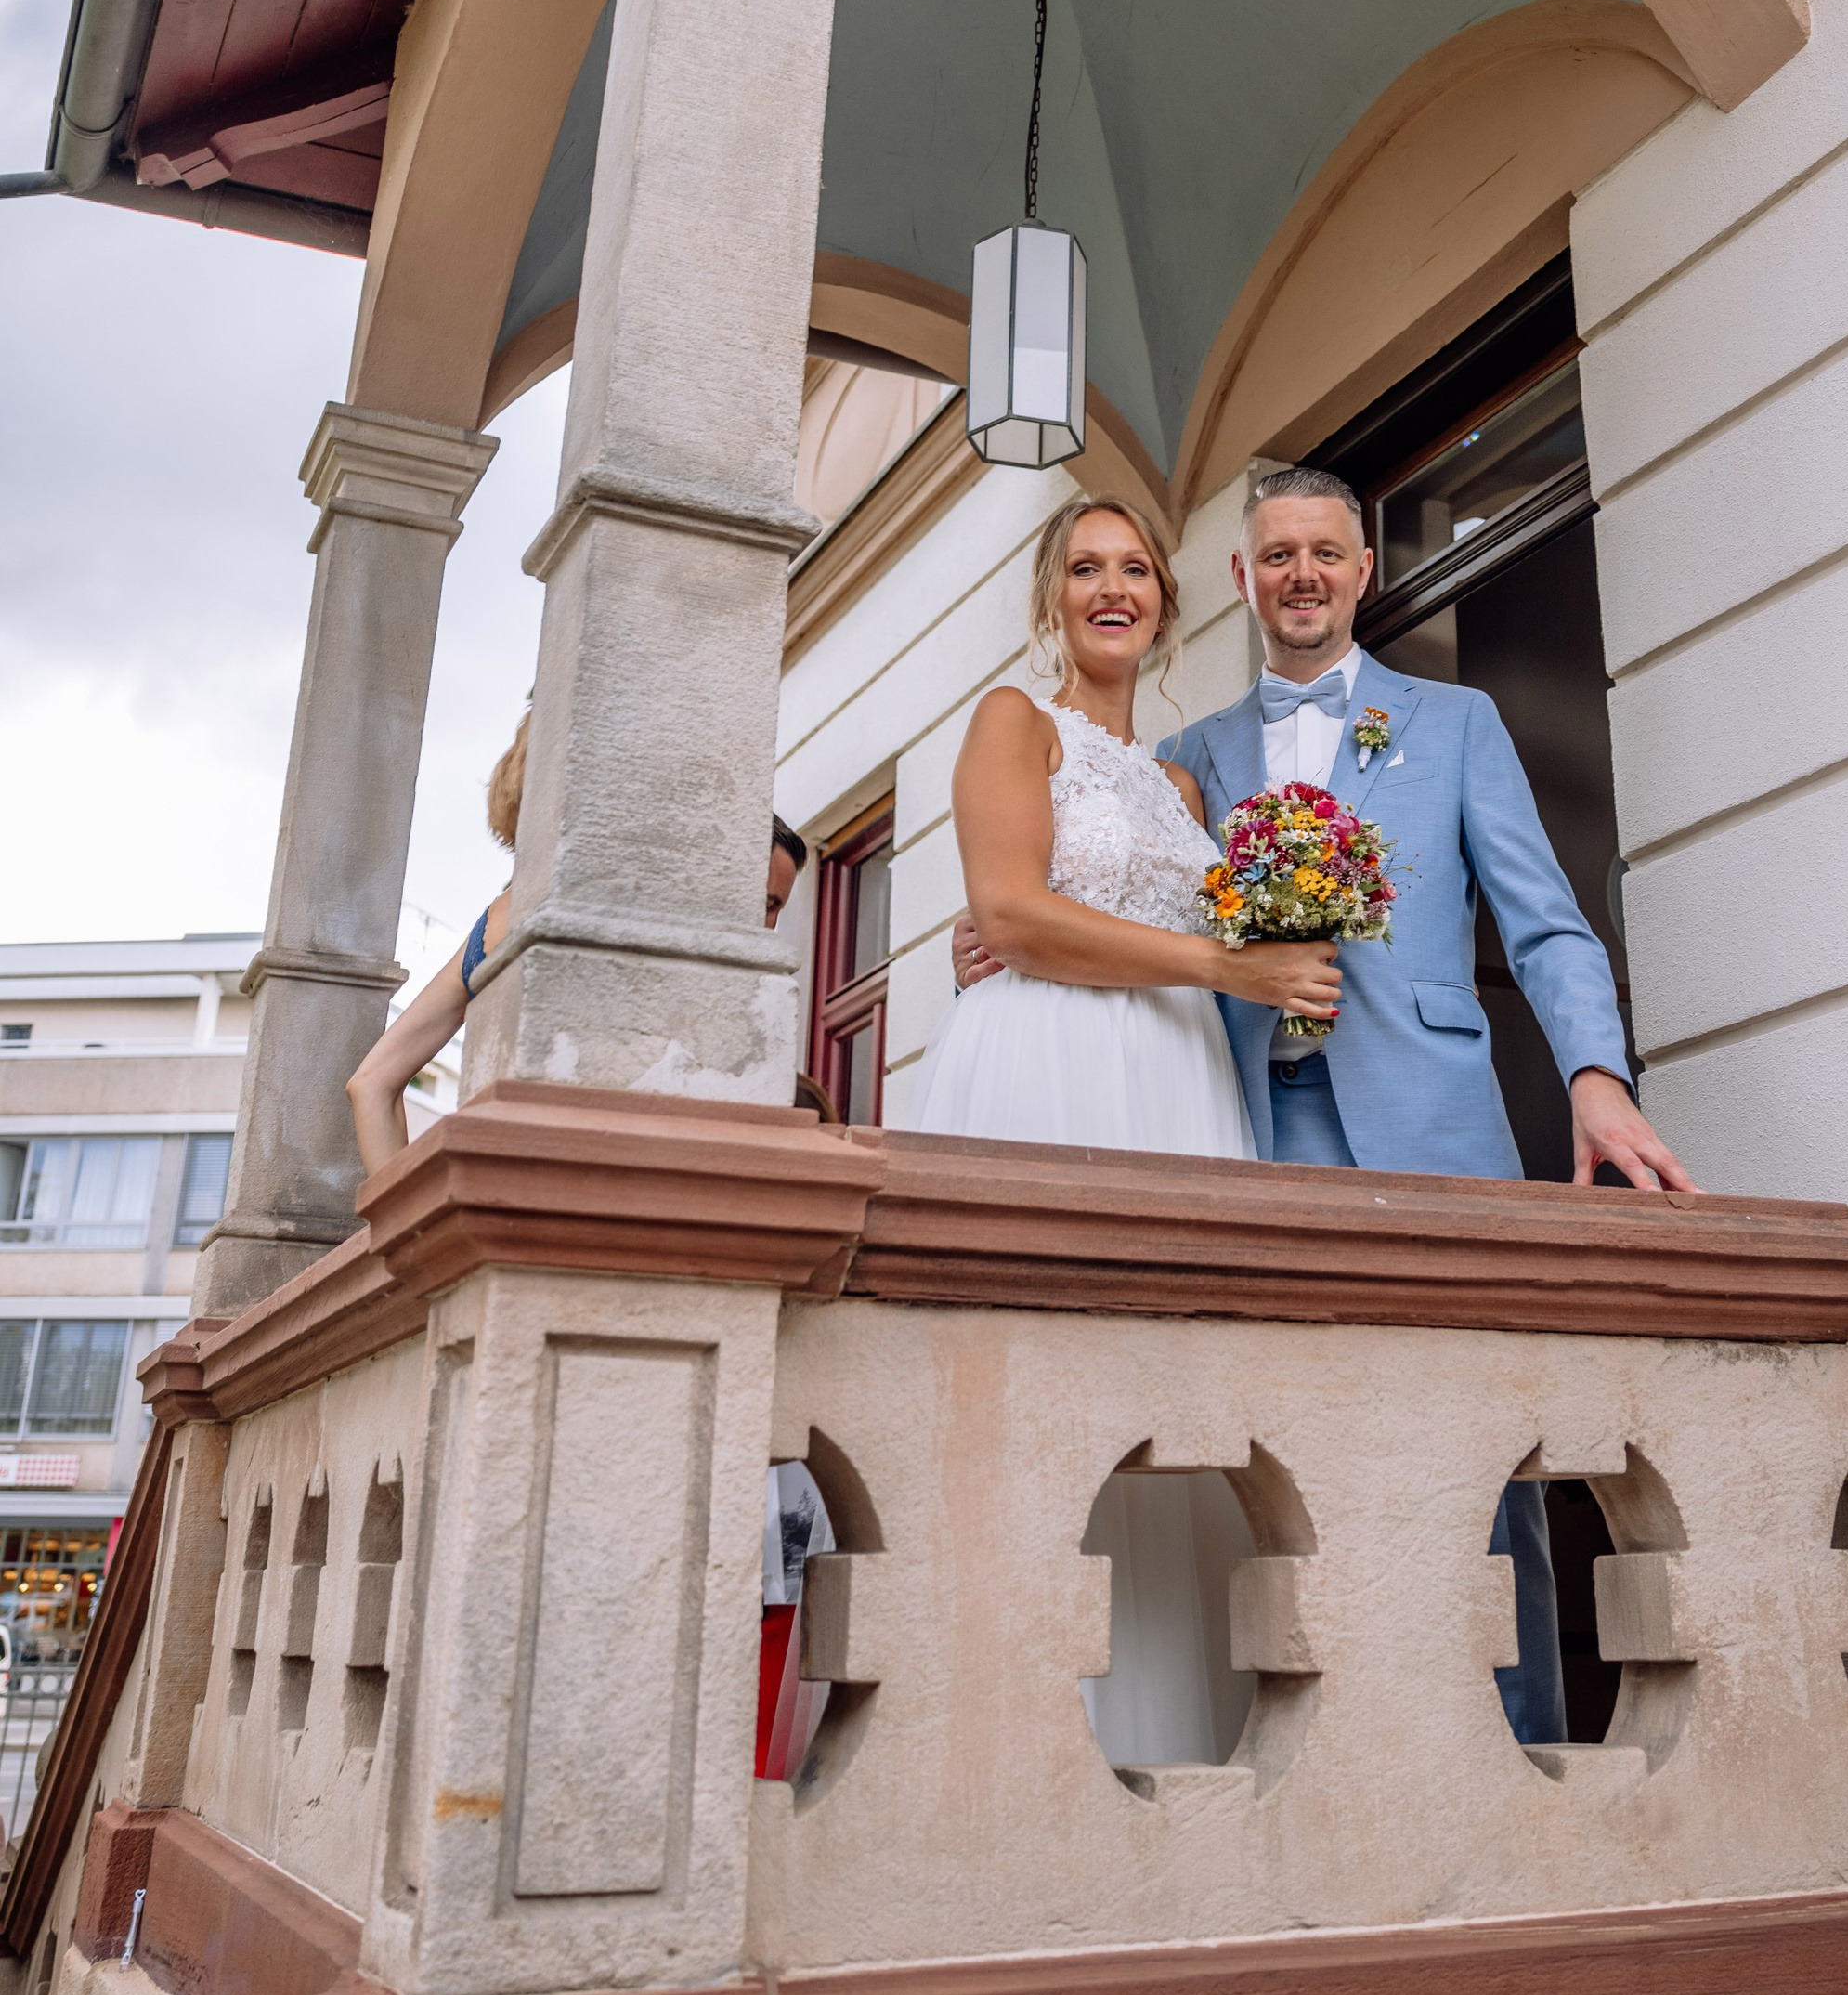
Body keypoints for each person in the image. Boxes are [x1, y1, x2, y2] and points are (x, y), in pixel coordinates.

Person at [957, 463, 1698, 1744]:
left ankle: (1515, 1748)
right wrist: (978, 941)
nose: (1302, 572)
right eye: (1276, 553)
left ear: (1363, 571)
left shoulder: (1455, 722)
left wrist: (1594, 1073)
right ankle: (1342, 1745)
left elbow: (1548, 924)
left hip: (1432, 1133)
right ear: (1242, 582)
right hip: (1243, 1127)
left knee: (1479, 1453)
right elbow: (1070, 887)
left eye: (1327, 550)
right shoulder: (1181, 762)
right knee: (1279, 1462)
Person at [905, 495, 1338, 1154]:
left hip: (1184, 1068)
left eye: (1135, 569)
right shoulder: (1015, 720)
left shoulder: (1179, 786)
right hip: (1051, 1051)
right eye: (1085, 569)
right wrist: (1226, 968)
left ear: (1162, 606)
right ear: (1050, 601)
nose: (1113, 589)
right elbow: (1009, 917)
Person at [343, 713, 810, 1173]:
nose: (768, 928)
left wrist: (405, 1230)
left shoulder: (493, 925)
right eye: (763, 903)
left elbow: (370, 1084)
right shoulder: (623, 917)